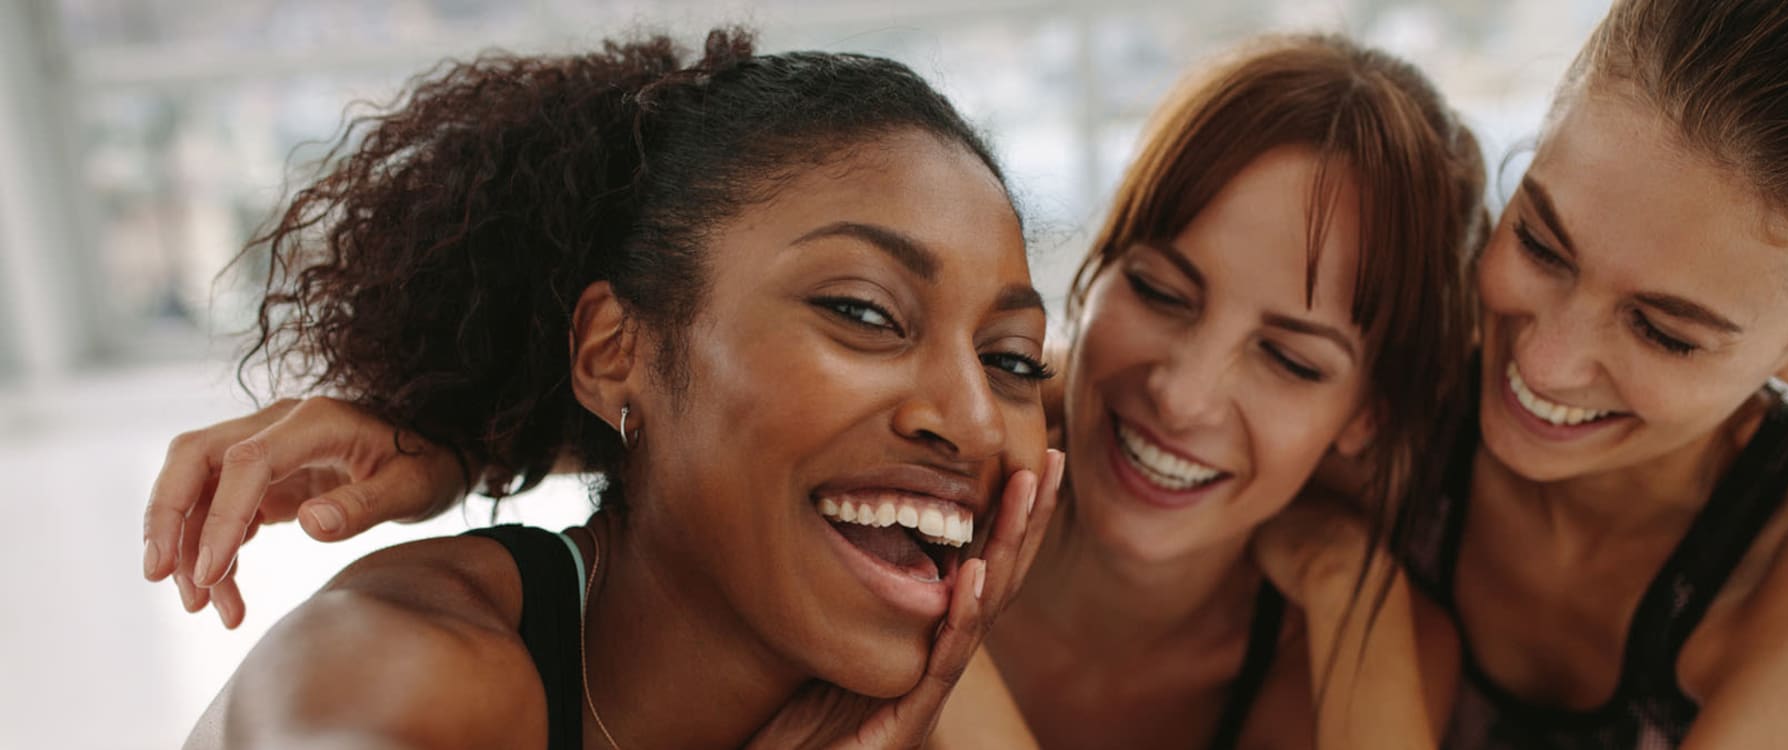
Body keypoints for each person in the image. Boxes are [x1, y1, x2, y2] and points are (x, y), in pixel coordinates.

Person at [143, 33, 1489, 749]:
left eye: (1007, 360)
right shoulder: (421, 665)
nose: (1183, 391)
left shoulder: (872, 578)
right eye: (1162, 291)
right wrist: (461, 429)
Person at [168, 28, 1066, 749]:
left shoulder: (912, 687)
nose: (976, 421)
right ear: (609, 352)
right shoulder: (399, 673)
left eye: (1013, 360)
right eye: (864, 312)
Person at [1294, 0, 1788, 746]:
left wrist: (1344, 581)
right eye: (1539, 244)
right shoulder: (1367, 360)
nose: (1542, 361)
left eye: (1663, 333)